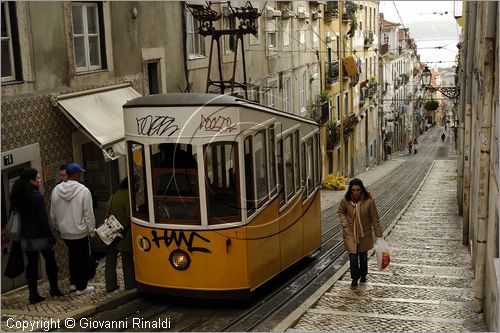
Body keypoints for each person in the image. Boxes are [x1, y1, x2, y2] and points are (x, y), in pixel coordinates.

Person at [10, 168, 62, 304]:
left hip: (25, 237)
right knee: (50, 262)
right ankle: (54, 289)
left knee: (32, 265)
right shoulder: (37, 197)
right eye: (38, 178)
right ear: (31, 181)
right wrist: (51, 236)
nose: (40, 180)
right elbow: (43, 219)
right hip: (40, 236)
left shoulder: (17, 194)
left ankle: (33, 294)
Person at [50, 162, 95, 295]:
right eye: (79, 173)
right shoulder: (84, 191)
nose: (80, 175)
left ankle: (73, 284)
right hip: (79, 232)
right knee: (82, 259)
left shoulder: (56, 190)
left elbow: (52, 213)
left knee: (72, 257)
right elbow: (88, 213)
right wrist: (91, 231)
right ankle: (82, 286)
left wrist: (57, 227)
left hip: (65, 232)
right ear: (74, 175)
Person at [338, 178, 383, 287]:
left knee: (363, 257)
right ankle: (354, 278)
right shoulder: (346, 200)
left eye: (358, 190)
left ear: (361, 189)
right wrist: (345, 225)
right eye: (353, 190)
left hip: (364, 233)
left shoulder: (369, 200)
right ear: (350, 190)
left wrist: (378, 233)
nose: (356, 192)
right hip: (350, 233)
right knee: (353, 258)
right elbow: (341, 212)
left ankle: (363, 275)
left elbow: (374, 217)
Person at [104, 177, 136, 292]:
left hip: (111, 232)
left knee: (110, 260)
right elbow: (130, 215)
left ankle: (110, 284)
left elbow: (107, 209)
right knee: (127, 259)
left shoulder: (114, 195)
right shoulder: (129, 196)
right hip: (124, 233)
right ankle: (130, 284)